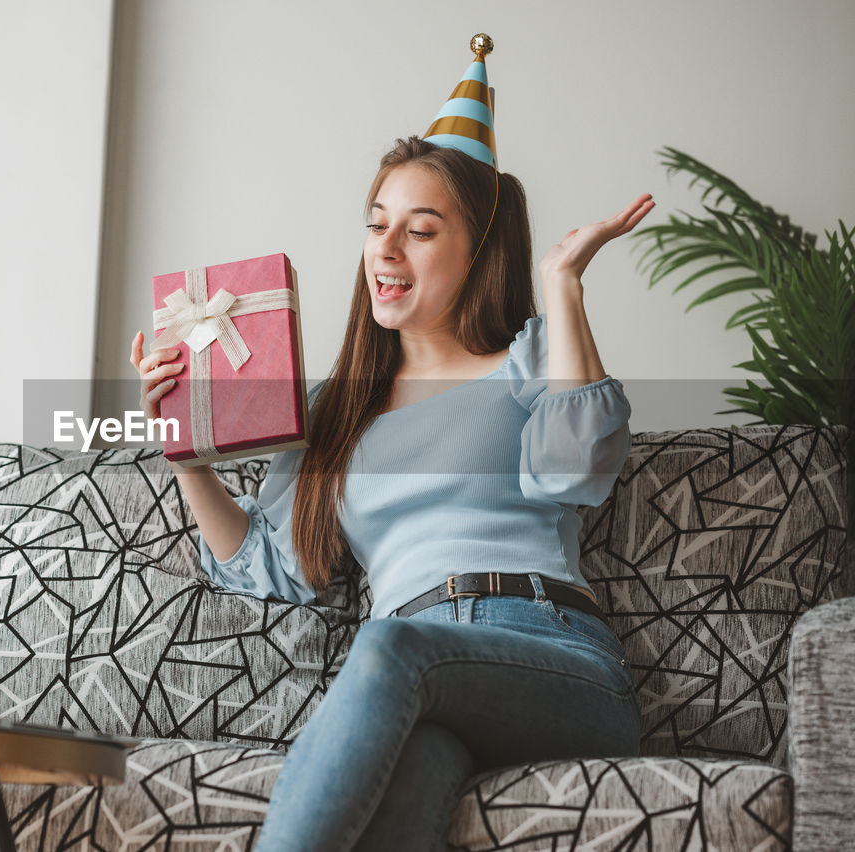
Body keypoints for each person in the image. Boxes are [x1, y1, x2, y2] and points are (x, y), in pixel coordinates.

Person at [129, 37, 654, 852]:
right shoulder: (334, 412)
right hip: (428, 687)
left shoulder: (527, 361)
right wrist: (187, 456)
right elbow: (275, 569)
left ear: (477, 249)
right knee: (409, 791)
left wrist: (563, 287)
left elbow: (575, 471)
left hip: (551, 657)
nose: (386, 249)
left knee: (389, 647)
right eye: (378, 226)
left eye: (420, 230)